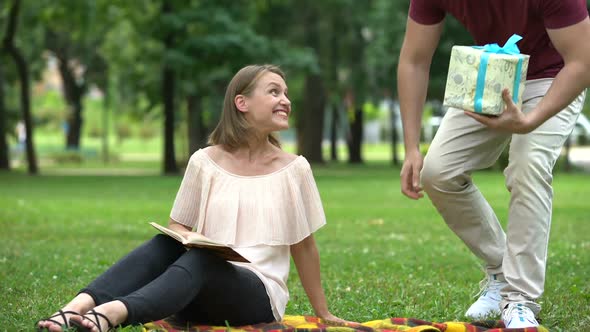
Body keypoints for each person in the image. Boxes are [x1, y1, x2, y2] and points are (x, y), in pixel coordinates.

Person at [36, 64, 349, 332]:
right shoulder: (204, 162)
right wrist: (193, 238)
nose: (286, 100)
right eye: (274, 92)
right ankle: (77, 306)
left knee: (202, 260)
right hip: (191, 296)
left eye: (285, 93)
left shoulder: (295, 169)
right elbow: (178, 227)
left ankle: (113, 312)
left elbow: (305, 246)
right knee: (166, 243)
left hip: (256, 298)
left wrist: (323, 313)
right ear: (242, 102)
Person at [397, 0, 590, 328]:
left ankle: (520, 298)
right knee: (438, 171)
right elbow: (414, 61)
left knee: (527, 166)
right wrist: (412, 147)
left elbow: (582, 63)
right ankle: (501, 271)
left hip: (553, 78)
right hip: (495, 69)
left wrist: (529, 121)